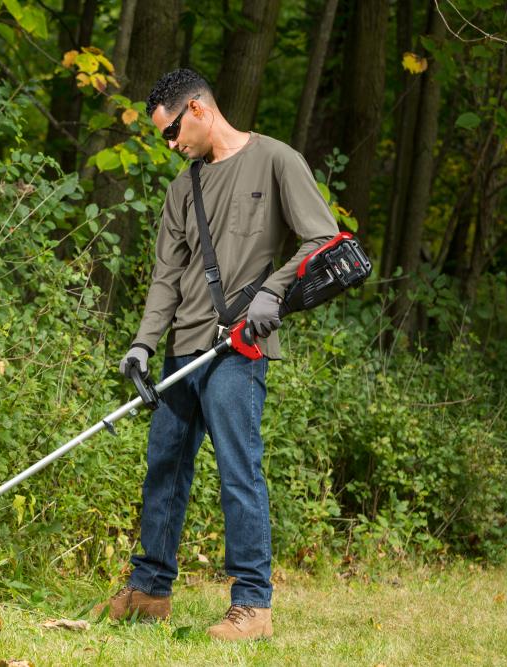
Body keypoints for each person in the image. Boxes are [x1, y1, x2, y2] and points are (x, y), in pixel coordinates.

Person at [100, 68, 338, 641]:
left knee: (238, 471)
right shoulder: (184, 187)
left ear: (200, 110)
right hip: (181, 352)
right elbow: (165, 276)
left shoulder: (277, 160)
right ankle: (150, 589)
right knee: (164, 469)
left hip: (237, 348)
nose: (171, 144)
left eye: (172, 131)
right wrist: (142, 343)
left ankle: (253, 605)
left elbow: (325, 240)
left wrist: (272, 291)